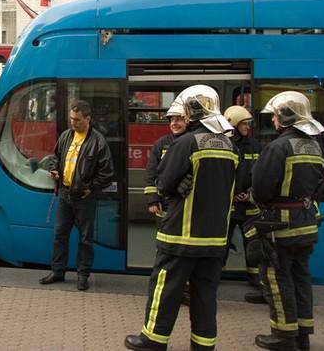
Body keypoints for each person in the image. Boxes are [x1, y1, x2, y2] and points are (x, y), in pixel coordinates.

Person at [125, 85, 237, 351]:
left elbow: (163, 183)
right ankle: (203, 345)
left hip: (180, 235)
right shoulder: (229, 145)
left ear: (192, 112)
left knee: (165, 288)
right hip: (215, 239)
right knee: (205, 294)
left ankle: (153, 340)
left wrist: (176, 184)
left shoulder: (187, 142)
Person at [249, 92, 324, 351]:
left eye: (274, 116)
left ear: (283, 119)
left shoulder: (278, 147)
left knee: (276, 277)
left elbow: (260, 188)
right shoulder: (315, 146)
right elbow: (320, 186)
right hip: (306, 221)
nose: (272, 120)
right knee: (300, 276)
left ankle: (284, 335)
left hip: (280, 225)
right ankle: (303, 333)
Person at [39, 100, 115, 291]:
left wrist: (91, 188)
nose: (73, 123)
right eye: (71, 118)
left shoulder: (98, 141)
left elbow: (107, 172)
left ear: (88, 119)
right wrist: (54, 169)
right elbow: (55, 158)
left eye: (77, 120)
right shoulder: (65, 136)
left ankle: (83, 276)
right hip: (65, 195)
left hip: (84, 198)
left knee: (85, 239)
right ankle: (57, 272)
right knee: (59, 236)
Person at [223, 106, 264, 290]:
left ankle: (255, 277)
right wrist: (232, 194)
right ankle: (215, 274)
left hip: (250, 205)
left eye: (248, 124)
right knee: (222, 243)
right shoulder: (223, 144)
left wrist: (250, 193)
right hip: (228, 206)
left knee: (254, 244)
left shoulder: (256, 146)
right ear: (234, 124)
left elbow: (263, 174)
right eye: (244, 124)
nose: (248, 127)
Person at [144, 98, 187, 219]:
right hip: (164, 202)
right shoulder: (161, 143)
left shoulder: (192, 142)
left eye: (178, 120)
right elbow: (151, 171)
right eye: (171, 120)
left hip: (185, 200)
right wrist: (153, 199)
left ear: (187, 121)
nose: (174, 123)